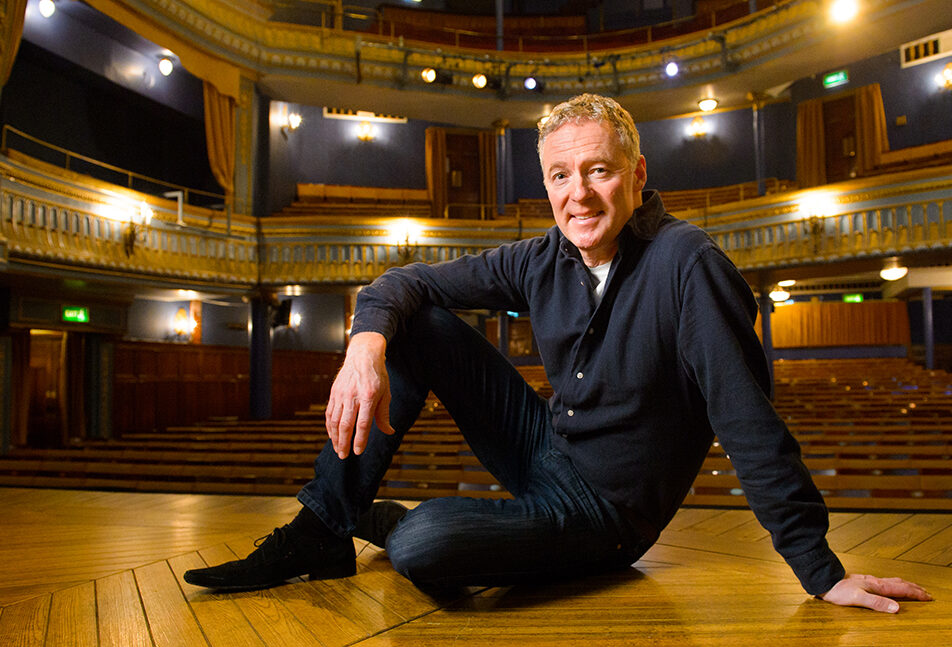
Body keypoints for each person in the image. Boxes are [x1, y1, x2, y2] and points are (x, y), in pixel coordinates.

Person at [185, 93, 930, 613]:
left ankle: (381, 521)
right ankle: (325, 526)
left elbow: (746, 418)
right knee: (410, 321)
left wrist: (819, 569)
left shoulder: (687, 263)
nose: (579, 194)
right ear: (546, 183)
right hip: (547, 451)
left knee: (423, 544)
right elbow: (404, 280)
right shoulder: (545, 257)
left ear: (637, 176)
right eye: (560, 175)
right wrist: (365, 344)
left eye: (599, 170)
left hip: (607, 512)